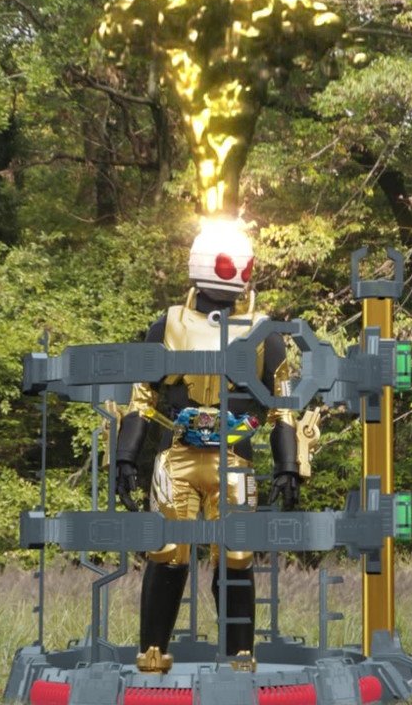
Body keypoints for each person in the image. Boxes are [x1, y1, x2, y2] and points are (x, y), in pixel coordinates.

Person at [114, 220, 301, 673]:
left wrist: (289, 464)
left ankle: (239, 655)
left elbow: (282, 409)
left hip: (233, 457)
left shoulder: (263, 332)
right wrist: (124, 456)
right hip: (178, 454)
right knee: (167, 553)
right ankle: (152, 652)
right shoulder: (169, 324)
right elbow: (143, 397)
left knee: (236, 556)